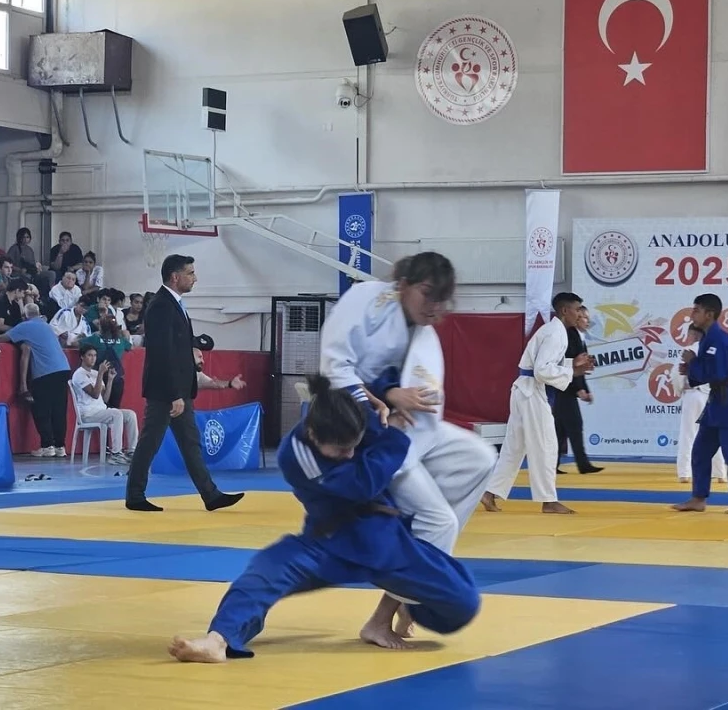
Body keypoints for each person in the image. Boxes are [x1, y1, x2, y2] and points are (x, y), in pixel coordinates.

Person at [168, 375, 480, 663]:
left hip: (385, 540)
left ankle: (410, 607)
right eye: (341, 450)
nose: (349, 454)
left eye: (354, 446)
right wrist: (393, 436)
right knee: (264, 573)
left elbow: (369, 383)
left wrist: (389, 392)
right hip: (329, 544)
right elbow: (361, 485)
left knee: (464, 601)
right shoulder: (295, 454)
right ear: (313, 435)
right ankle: (217, 641)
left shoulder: (350, 408)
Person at [318, 252, 496, 644]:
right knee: (440, 522)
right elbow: (333, 371)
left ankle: (408, 546)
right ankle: (382, 618)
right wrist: (386, 396)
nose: (434, 307)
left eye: (442, 299)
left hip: (410, 432)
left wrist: (397, 395)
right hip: (362, 435)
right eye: (427, 294)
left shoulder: (423, 333)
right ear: (403, 285)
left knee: (481, 458)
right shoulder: (364, 301)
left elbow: (418, 399)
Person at [123, 254, 243, 512]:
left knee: (190, 444)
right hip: (166, 391)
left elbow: (178, 348)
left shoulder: (174, 304)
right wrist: (174, 394)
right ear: (175, 277)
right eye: (190, 273)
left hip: (178, 390)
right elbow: (163, 352)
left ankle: (211, 495)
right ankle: (134, 495)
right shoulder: (161, 306)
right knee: (150, 442)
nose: (195, 278)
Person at [482, 293, 595, 514]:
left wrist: (573, 364)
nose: (580, 314)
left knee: (514, 448)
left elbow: (545, 364)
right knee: (547, 445)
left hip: (524, 391)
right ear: (565, 311)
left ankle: (490, 492)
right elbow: (542, 370)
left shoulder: (555, 331)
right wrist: (572, 370)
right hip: (531, 392)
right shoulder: (555, 333)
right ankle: (548, 500)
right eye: (577, 309)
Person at [672, 293, 728, 515]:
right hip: (716, 401)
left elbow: (717, 373)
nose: (692, 314)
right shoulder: (709, 338)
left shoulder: (718, 339)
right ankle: (698, 498)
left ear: (709, 314)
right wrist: (691, 368)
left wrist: (692, 364)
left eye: (696, 310)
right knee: (700, 451)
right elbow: (707, 371)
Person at [5, 303, 72, 457]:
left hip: (45, 372)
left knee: (42, 409)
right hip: (63, 368)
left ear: (24, 316)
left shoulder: (26, 326)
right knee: (59, 410)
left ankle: (47, 445)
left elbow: (2, 338)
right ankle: (60, 446)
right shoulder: (47, 326)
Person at [673, 325, 728, 484]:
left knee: (688, 433)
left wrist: (679, 390)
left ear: (692, 334)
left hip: (692, 394)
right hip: (711, 395)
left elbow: (677, 375)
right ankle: (720, 473)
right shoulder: (712, 350)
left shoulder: (688, 351)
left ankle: (684, 473)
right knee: (713, 435)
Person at [553, 306, 603, 475]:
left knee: (560, 429)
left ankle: (552, 465)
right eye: (584, 318)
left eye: (588, 318)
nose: (588, 321)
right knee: (574, 426)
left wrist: (584, 389)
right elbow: (569, 365)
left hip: (567, 389)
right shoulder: (570, 336)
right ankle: (583, 464)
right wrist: (578, 389)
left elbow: (581, 370)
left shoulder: (579, 338)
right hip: (564, 389)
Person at [71, 345, 139, 465]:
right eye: (89, 355)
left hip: (101, 410)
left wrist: (110, 379)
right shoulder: (79, 374)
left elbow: (105, 398)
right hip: (88, 414)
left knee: (130, 414)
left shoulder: (95, 373)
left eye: (95, 355)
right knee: (116, 414)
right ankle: (116, 454)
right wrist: (101, 374)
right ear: (82, 357)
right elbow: (95, 394)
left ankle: (131, 451)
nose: (93, 358)